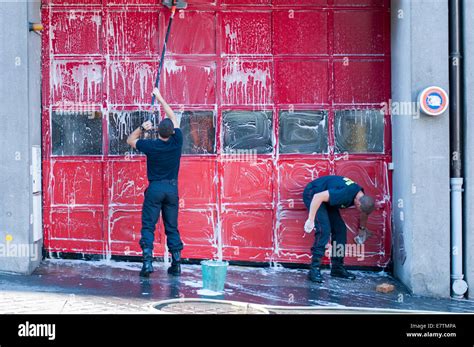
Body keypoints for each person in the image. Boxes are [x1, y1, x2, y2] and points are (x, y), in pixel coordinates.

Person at [127, 87, 184, 277]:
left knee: (148, 226)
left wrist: (142, 128)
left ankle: (147, 263)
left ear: (158, 131)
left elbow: (130, 140)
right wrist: (160, 97)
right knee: (172, 227)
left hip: (154, 189)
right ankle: (176, 263)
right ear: (172, 132)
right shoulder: (177, 142)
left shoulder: (151, 145)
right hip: (171, 189)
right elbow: (172, 116)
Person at [302, 175, 375, 283]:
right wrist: (311, 220)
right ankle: (314, 269)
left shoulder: (362, 197)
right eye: (359, 209)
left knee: (340, 230)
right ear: (358, 203)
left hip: (326, 198)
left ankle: (337, 268)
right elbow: (318, 197)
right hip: (313, 194)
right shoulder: (345, 194)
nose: (359, 212)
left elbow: (364, 212)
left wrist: (362, 229)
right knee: (324, 230)